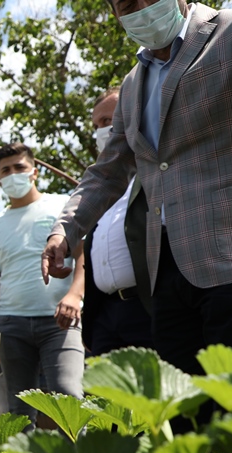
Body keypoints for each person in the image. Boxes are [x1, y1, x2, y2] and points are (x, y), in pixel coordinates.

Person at [43, 0, 232, 378]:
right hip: (168, 271)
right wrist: (65, 229)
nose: (142, 7)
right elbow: (107, 172)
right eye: (128, 4)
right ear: (116, 14)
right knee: (181, 415)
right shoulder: (132, 86)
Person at [0, 142, 85, 426]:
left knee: (69, 400)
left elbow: (84, 252)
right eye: (5, 170)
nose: (13, 174)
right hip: (11, 325)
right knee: (18, 412)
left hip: (60, 321)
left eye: (19, 167)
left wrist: (75, 294)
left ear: (34, 171)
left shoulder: (62, 205)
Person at [67, 87, 155, 354]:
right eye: (96, 125)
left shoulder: (157, 171)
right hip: (105, 316)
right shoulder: (100, 190)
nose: (100, 131)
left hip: (149, 311)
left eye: (107, 121)